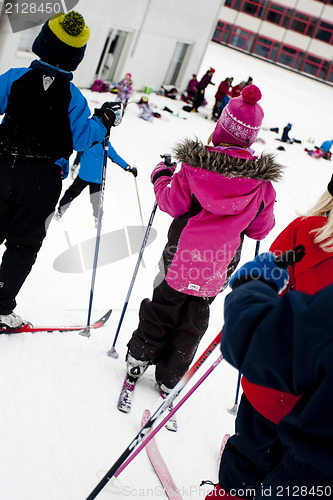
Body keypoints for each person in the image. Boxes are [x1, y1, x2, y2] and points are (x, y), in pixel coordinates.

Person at [121, 85, 283, 425]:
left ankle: (140, 357)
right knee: (194, 317)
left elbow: (171, 203)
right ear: (251, 139)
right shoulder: (262, 185)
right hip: (218, 265)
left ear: (221, 127)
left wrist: (161, 176)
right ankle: (170, 375)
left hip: (180, 255)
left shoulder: (194, 169)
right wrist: (261, 208)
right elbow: (258, 230)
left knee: (164, 306)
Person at [206, 175, 333, 499]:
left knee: (246, 458)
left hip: (272, 380)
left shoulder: (308, 230)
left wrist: (256, 285)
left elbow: (272, 271)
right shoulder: (308, 230)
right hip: (314, 419)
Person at [0, 11, 123, 329]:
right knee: (23, 242)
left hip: (3, 165)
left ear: (42, 44)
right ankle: (0, 307)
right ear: (75, 59)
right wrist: (104, 121)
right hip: (42, 178)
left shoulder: (13, 78)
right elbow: (83, 139)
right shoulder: (73, 99)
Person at [55, 142, 137, 226]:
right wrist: (128, 168)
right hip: (96, 178)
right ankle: (97, 219)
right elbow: (115, 157)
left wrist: (75, 163)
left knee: (71, 193)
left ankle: (60, 212)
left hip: (84, 175)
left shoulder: (87, 139)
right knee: (96, 200)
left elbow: (79, 152)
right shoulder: (104, 143)